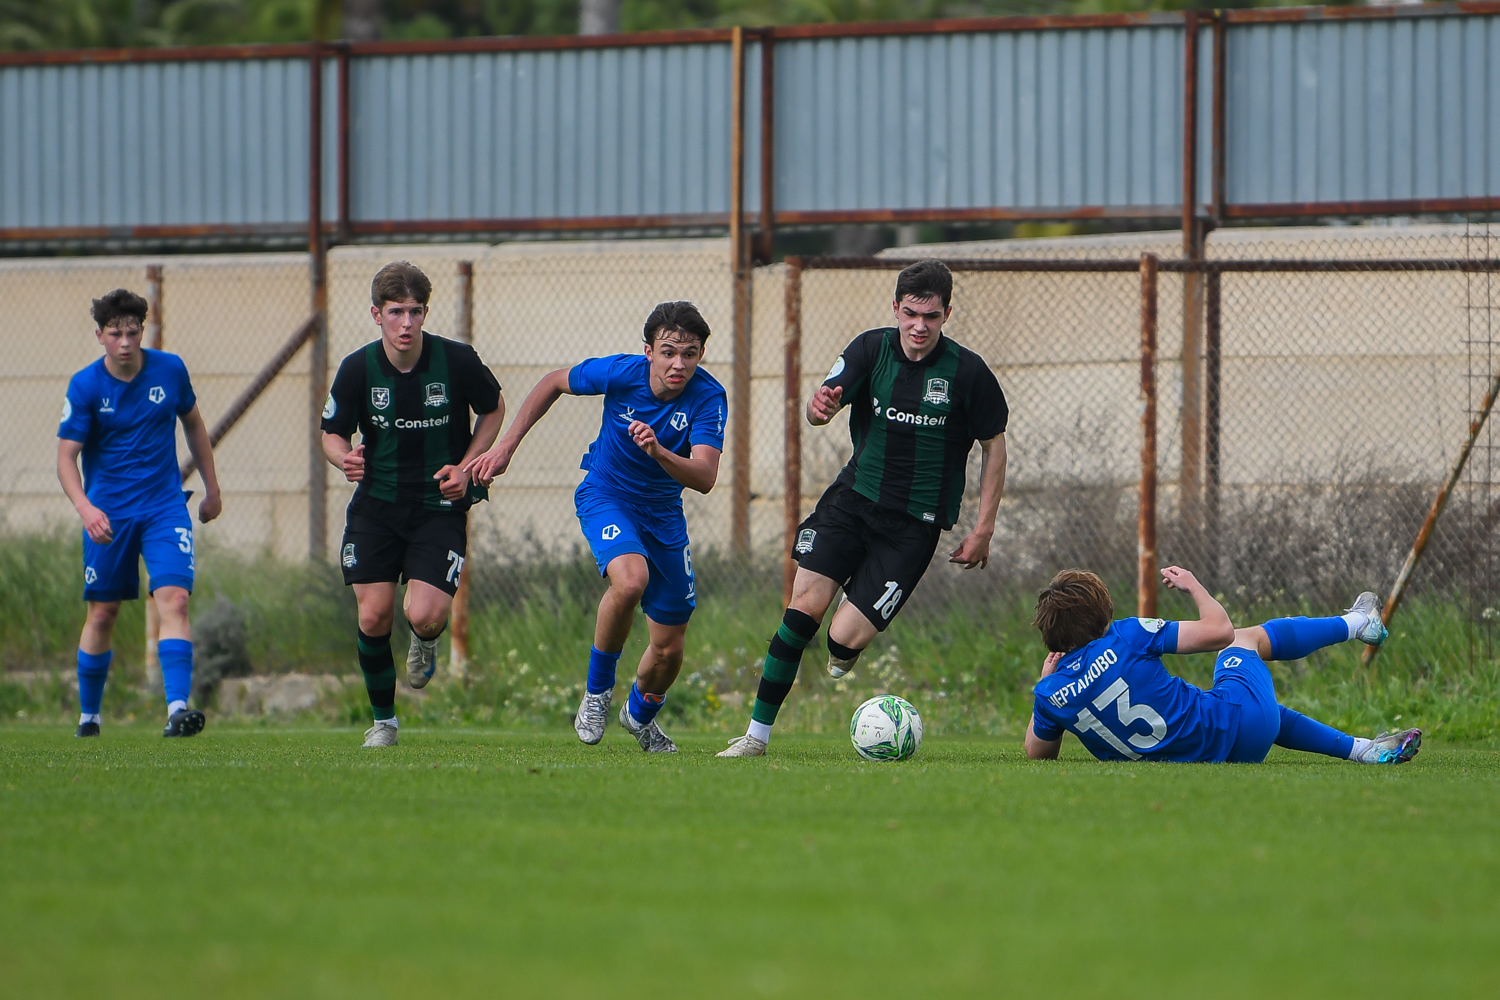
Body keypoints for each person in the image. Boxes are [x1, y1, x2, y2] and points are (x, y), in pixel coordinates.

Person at [719, 259, 1008, 758]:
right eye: (911, 314)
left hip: (913, 527)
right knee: (801, 613)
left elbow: (994, 446)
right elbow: (819, 407)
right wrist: (818, 409)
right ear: (895, 308)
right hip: (852, 503)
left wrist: (983, 528)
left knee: (841, 640)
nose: (919, 326)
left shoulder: (968, 372)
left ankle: (846, 642)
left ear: (947, 314)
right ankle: (755, 737)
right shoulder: (870, 349)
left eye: (931, 316)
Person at [465, 302, 726, 753]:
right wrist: (506, 447)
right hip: (607, 496)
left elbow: (705, 477)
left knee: (669, 649)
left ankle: (638, 715)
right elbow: (553, 382)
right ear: (648, 351)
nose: (678, 364)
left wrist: (659, 451)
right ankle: (597, 693)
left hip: (664, 515)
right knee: (630, 580)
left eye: (690, 354)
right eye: (668, 352)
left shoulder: (708, 397)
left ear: (701, 354)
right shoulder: (621, 373)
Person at [320, 261, 505, 748]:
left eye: (415, 311)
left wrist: (466, 467)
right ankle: (384, 723)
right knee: (373, 617)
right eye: (396, 312)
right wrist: (344, 458)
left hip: (438, 507)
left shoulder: (456, 360)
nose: (406, 323)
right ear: (376, 315)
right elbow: (332, 433)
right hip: (376, 507)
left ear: (425, 313)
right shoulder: (357, 368)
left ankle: (425, 639)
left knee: (424, 614)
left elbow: (493, 408)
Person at [1024, 567, 1421, 765]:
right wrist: (1193, 585)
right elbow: (1219, 631)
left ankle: (1364, 751)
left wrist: (1046, 685)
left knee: (1256, 704)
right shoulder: (1126, 635)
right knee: (1243, 640)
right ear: (1103, 615)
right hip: (1236, 729)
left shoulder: (1049, 694)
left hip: (1225, 750)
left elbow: (1037, 753)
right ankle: (1359, 624)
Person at [57, 288, 223, 738]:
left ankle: (177, 710)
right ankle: (89, 717)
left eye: (133, 332)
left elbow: (194, 424)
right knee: (103, 613)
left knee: (176, 599)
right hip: (107, 515)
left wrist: (212, 489)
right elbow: (66, 458)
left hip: (163, 507)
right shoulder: (86, 386)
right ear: (100, 336)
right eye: (116, 334)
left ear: (142, 331)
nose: (126, 342)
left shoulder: (170, 370)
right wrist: (86, 508)